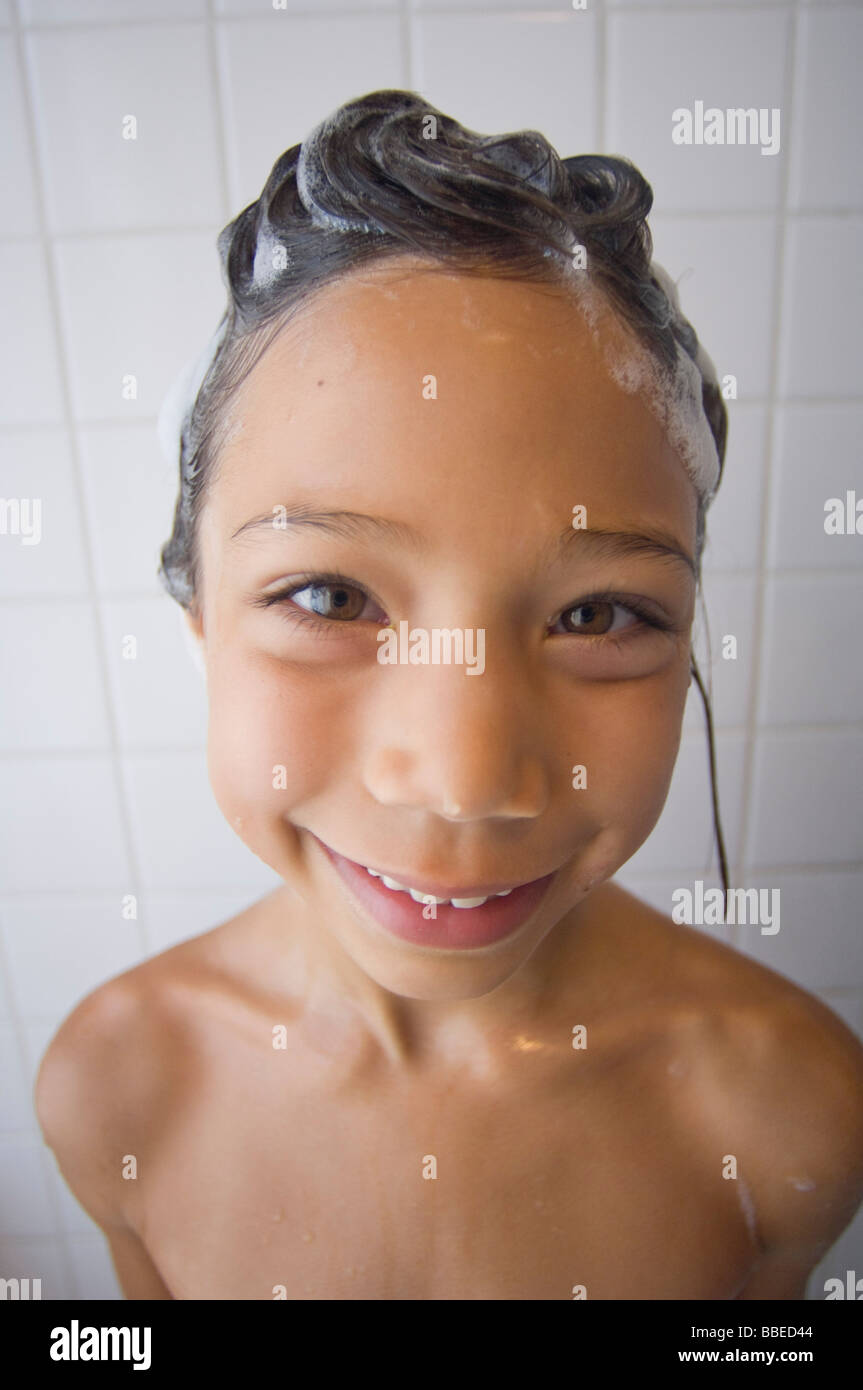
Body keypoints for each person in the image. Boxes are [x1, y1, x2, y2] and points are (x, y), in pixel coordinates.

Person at [35, 90, 863, 1300]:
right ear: (198, 618)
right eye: (329, 597)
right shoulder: (118, 1089)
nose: (467, 774)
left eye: (596, 615)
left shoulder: (787, 1113)